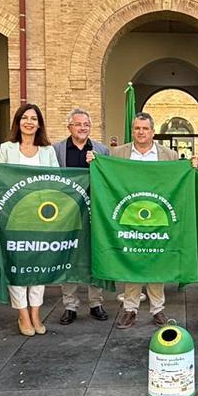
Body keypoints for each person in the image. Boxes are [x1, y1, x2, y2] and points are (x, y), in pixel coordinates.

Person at [110, 112, 178, 330]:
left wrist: (191, 168)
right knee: (132, 260)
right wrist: (96, 162)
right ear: (133, 130)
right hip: (129, 216)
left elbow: (179, 180)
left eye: (145, 129)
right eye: (137, 128)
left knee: (155, 260)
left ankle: (158, 309)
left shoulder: (170, 156)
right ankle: (130, 309)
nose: (141, 132)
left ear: (153, 131)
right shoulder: (118, 153)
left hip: (157, 216)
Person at [0, 103, 58, 337]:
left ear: (39, 123)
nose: (29, 122)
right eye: (25, 118)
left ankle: (36, 313)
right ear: (18, 122)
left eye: (34, 118)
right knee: (17, 265)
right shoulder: (7, 148)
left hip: (41, 216)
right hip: (14, 216)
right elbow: (0, 179)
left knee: (38, 265)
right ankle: (22, 314)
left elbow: (56, 181)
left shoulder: (48, 151)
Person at [52, 108, 111, 325]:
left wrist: (97, 165)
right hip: (67, 213)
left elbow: (109, 180)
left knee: (94, 256)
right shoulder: (56, 149)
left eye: (86, 124)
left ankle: (96, 303)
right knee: (69, 257)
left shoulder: (101, 149)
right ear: (69, 127)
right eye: (78, 124)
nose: (83, 128)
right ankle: (70, 305)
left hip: (94, 212)